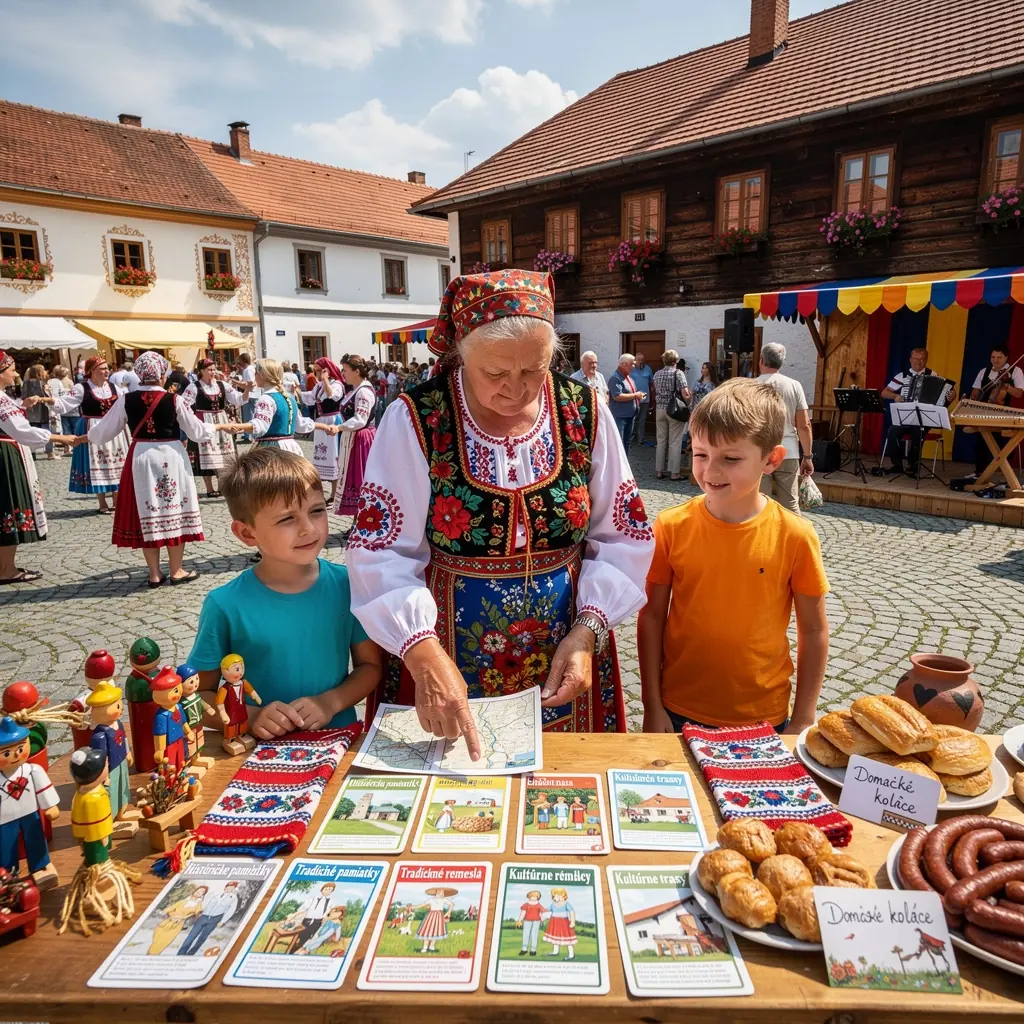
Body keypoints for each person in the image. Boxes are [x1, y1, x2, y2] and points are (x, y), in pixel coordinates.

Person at [347, 269, 654, 748]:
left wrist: (589, 630)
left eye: (534, 369)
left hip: (568, 644)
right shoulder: (417, 417)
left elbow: (622, 535)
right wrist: (422, 654)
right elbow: (380, 553)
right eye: (495, 373)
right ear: (462, 356)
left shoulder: (585, 410)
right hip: (443, 651)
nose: (517, 389)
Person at [638, 379, 829, 735]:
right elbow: (651, 617)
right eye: (700, 454)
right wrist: (651, 704)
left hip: (765, 716)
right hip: (678, 708)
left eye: (730, 458)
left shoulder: (796, 536)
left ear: (771, 459)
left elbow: (814, 629)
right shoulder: (671, 525)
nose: (711, 471)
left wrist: (803, 717)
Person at [188, 446, 382, 739]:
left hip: (338, 740)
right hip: (255, 755)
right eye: (287, 519)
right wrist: (251, 718)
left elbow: (369, 667)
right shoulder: (225, 605)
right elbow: (196, 695)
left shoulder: (347, 585)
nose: (308, 529)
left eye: (317, 511)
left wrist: (331, 702)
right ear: (247, 533)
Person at [88, 351, 235, 587]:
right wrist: (218, 427)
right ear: (163, 374)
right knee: (174, 509)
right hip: (171, 455)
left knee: (149, 511)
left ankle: (154, 573)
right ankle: (176, 570)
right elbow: (197, 431)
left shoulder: (126, 400)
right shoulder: (174, 399)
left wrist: (85, 436)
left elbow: (102, 432)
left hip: (141, 456)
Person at [0, 351, 81, 584]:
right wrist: (59, 438)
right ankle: (6, 570)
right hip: (5, 455)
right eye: (11, 368)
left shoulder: (5, 397)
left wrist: (21, 406)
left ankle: (5, 566)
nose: (16, 373)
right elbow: (21, 430)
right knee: (10, 507)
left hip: (7, 451)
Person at [48, 356, 128, 514]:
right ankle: (102, 501)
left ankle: (117, 500)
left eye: (107, 368)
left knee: (116, 463)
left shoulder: (114, 387)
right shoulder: (82, 387)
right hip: (91, 427)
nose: (107, 371)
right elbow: (64, 403)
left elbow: (124, 405)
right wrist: (46, 399)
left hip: (112, 429)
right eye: (103, 368)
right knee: (97, 464)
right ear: (92, 371)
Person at [317, 355, 377, 524]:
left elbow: (360, 419)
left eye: (346, 370)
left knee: (360, 478)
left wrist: (339, 427)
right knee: (355, 477)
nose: (343, 373)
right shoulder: (356, 389)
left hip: (362, 439)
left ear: (357, 371)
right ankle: (358, 520)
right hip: (354, 437)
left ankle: (363, 520)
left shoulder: (364, 391)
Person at [756, 342, 814, 516]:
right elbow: (804, 425)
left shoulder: (751, 386)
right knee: (790, 503)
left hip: (759, 450)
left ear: (761, 360)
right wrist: (808, 456)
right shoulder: (794, 385)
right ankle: (794, 541)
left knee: (760, 502)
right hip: (788, 450)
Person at [880, 347, 954, 474]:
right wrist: (895, 396)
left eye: (921, 359)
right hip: (905, 417)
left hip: (924, 418)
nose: (918, 362)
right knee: (892, 433)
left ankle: (914, 465)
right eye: (915, 359)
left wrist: (951, 396)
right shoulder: (902, 376)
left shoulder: (933, 375)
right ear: (910, 359)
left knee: (917, 432)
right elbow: (884, 392)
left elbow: (944, 395)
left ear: (926, 360)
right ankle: (897, 465)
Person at [179, 359, 244, 497]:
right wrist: (194, 418)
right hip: (205, 422)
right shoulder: (194, 387)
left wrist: (248, 389)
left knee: (223, 453)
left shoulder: (222, 385)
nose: (213, 372)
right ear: (201, 371)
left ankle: (222, 485)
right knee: (206, 455)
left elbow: (238, 399)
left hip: (222, 421)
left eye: (214, 369)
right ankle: (209, 488)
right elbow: (183, 405)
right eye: (209, 370)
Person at [225, 358, 316, 456]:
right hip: (291, 447)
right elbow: (300, 425)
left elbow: (260, 425)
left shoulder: (266, 398)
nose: (254, 376)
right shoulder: (289, 396)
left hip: (272, 449)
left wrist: (233, 426)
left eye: (256, 373)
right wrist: (323, 426)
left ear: (263, 375)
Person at [966, 346, 1024, 481]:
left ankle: (1003, 474)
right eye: (993, 357)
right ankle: (979, 472)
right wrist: (972, 399)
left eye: (999, 357)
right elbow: (976, 391)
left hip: (1003, 413)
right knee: (980, 442)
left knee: (1002, 442)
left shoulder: (1015, 371)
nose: (995, 360)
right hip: (985, 411)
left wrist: (1006, 385)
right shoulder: (984, 371)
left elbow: (1019, 393)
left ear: (1006, 358)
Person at [298, 357, 346, 502]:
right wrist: (296, 391)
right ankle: (325, 493)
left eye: (319, 370)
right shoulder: (319, 386)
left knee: (334, 457)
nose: (316, 373)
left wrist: (325, 379)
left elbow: (333, 395)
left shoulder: (337, 384)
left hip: (333, 421)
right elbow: (311, 398)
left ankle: (334, 494)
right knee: (322, 455)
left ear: (327, 371)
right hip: (321, 421)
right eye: (316, 370)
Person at [651, 350, 690, 481]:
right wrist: (689, 402)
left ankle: (659, 471)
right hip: (674, 409)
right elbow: (685, 393)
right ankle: (674, 473)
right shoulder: (678, 373)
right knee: (675, 442)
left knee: (661, 441)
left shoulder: (657, 374)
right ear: (676, 361)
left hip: (660, 409)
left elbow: (655, 390)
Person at [175, 882, 238, 956]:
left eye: (232, 888)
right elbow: (205, 902)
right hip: (204, 916)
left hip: (215, 919)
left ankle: (190, 954)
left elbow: (231, 910)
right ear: (226, 886)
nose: (230, 888)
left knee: (202, 938)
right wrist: (199, 912)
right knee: (191, 936)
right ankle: (180, 954)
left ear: (233, 889)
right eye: (229, 886)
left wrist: (223, 921)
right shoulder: (215, 892)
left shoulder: (233, 897)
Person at [607, 352, 645, 454]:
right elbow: (617, 396)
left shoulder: (628, 377)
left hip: (630, 416)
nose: (634, 366)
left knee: (627, 443)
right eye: (632, 364)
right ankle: (618, 468)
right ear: (624, 364)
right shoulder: (615, 378)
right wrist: (635, 395)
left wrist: (637, 395)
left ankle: (625, 467)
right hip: (620, 416)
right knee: (619, 444)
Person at [21, 365, 53, 460]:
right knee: (46, 431)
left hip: (31, 410)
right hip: (43, 410)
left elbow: (23, 396)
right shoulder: (43, 383)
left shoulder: (26, 383)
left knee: (31, 432)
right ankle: (49, 452)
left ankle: (32, 453)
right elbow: (48, 397)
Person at [631, 352, 655, 447]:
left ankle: (640, 440)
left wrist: (653, 398)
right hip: (633, 399)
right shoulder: (631, 369)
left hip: (645, 399)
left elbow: (651, 383)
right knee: (631, 419)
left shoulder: (647, 369)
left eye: (642, 360)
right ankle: (629, 440)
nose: (641, 361)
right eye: (639, 359)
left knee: (642, 420)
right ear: (635, 360)